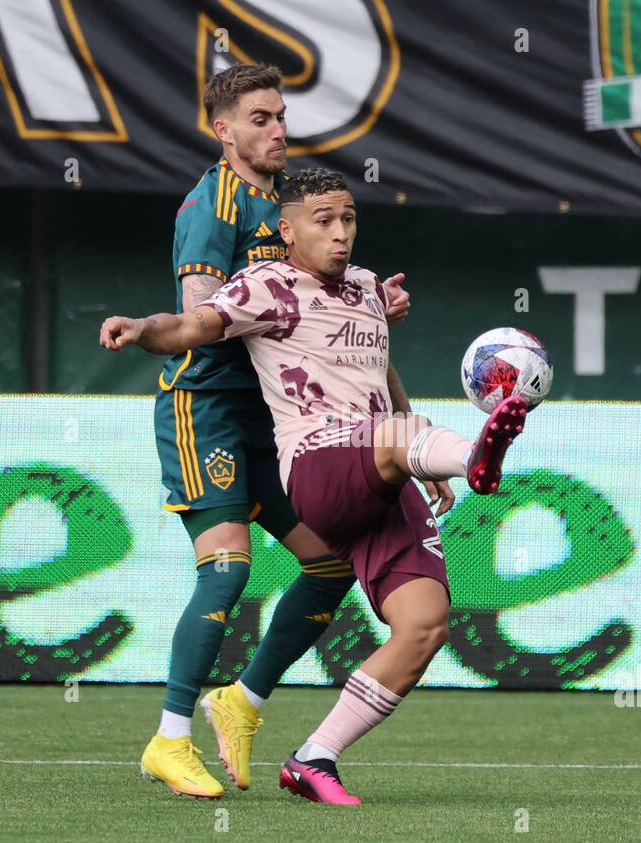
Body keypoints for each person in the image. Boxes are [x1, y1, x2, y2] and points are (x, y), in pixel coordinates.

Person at [100, 168, 529, 804]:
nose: (340, 234)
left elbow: (382, 380)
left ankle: (313, 757)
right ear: (287, 229)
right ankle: (474, 458)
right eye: (323, 220)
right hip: (318, 463)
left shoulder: (366, 288)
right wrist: (141, 327)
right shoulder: (266, 285)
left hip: (387, 459)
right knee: (391, 443)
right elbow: (191, 327)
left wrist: (419, 458)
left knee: (425, 623)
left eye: (349, 218)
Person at [135, 65, 445, 799]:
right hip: (205, 411)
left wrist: (353, 301)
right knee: (227, 570)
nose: (278, 130)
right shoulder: (210, 205)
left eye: (281, 116)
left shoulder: (295, 205)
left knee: (331, 565)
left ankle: (241, 702)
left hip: (283, 428)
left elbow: (344, 341)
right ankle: (169, 740)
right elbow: (201, 320)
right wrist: (295, 307)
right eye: (261, 118)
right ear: (224, 130)